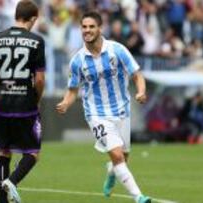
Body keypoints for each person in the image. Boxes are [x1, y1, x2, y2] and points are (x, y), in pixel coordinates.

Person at [56, 11, 151, 203]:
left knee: (123, 157)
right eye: (84, 27)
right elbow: (73, 89)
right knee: (117, 155)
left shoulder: (118, 50)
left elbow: (137, 74)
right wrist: (66, 102)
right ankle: (139, 197)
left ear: (100, 28)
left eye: (91, 26)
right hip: (96, 114)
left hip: (122, 110)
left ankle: (111, 172)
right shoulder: (77, 61)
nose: (87, 30)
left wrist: (141, 91)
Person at [0, 1, 45, 203]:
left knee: (3, 152)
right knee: (33, 153)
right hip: (25, 105)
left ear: (16, 15)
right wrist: (36, 99)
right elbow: (39, 79)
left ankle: (3, 201)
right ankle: (12, 181)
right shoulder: (36, 41)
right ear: (34, 18)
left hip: (2, 103)